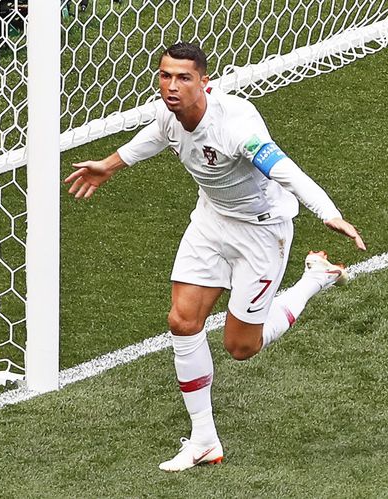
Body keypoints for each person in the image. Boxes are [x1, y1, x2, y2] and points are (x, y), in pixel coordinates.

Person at [64, 42, 366, 472]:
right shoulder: (170, 113)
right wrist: (110, 165)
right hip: (211, 221)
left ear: (206, 83)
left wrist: (330, 213)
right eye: (165, 76)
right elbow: (156, 134)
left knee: (241, 346)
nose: (171, 86)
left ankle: (314, 277)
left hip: (261, 232)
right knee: (182, 321)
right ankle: (204, 439)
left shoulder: (236, 129)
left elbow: (287, 171)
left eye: (183, 78)